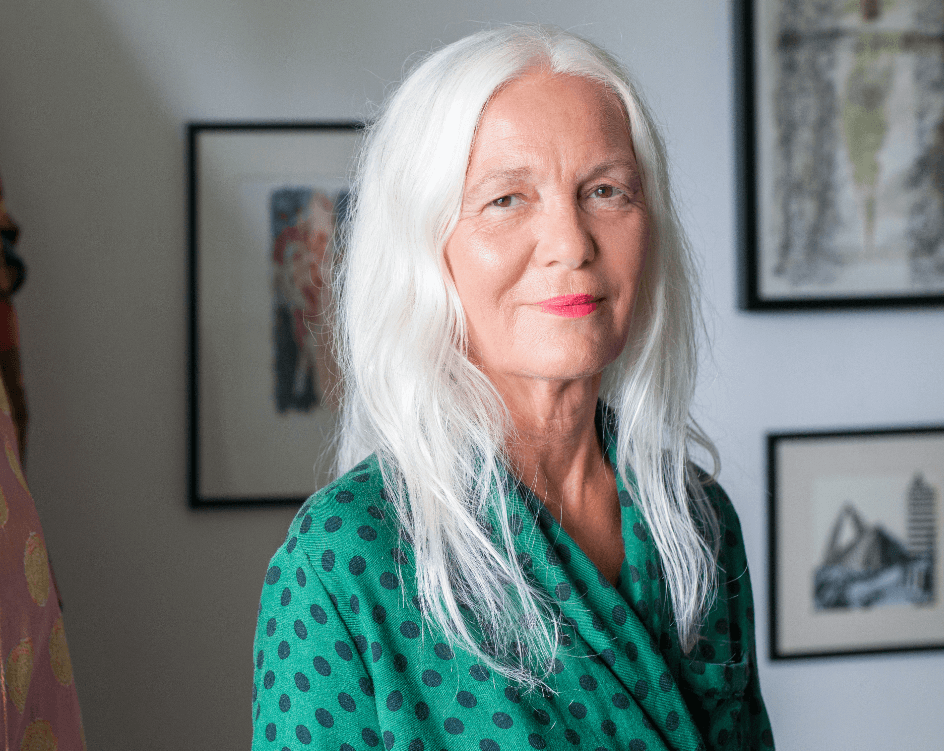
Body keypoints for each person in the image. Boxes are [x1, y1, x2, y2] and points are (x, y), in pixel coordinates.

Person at [252, 25, 774, 751]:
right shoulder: (343, 561)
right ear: (424, 247)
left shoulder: (695, 518)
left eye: (605, 191)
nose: (571, 243)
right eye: (506, 199)